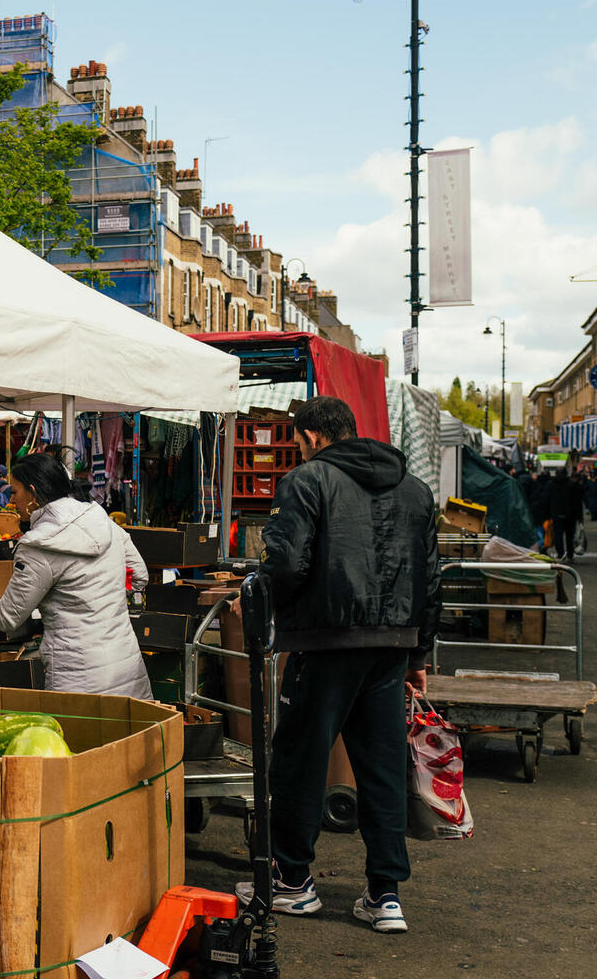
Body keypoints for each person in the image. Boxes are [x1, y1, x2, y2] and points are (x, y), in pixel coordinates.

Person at [241, 396, 438, 935]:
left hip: (326, 641)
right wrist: (418, 653)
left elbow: (285, 561)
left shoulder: (307, 480)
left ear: (310, 436)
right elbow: (431, 576)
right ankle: (385, 894)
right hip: (391, 644)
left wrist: (262, 605)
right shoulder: (415, 489)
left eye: (299, 440)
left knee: (301, 760)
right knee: (381, 765)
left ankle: (293, 883)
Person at [0, 453, 150, 695]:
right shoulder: (100, 518)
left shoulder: (38, 546)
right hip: (127, 668)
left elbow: (6, 618)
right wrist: (104, 595)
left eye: (15, 492)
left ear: (32, 493)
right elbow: (140, 574)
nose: (11, 501)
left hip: (77, 679)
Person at [546, 469, 583, 563]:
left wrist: (547, 514)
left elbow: (546, 499)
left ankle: (561, 554)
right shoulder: (572, 485)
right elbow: (577, 502)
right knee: (569, 536)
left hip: (556, 514)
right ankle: (570, 554)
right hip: (570, 515)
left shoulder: (551, 485)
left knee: (558, 535)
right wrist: (580, 516)